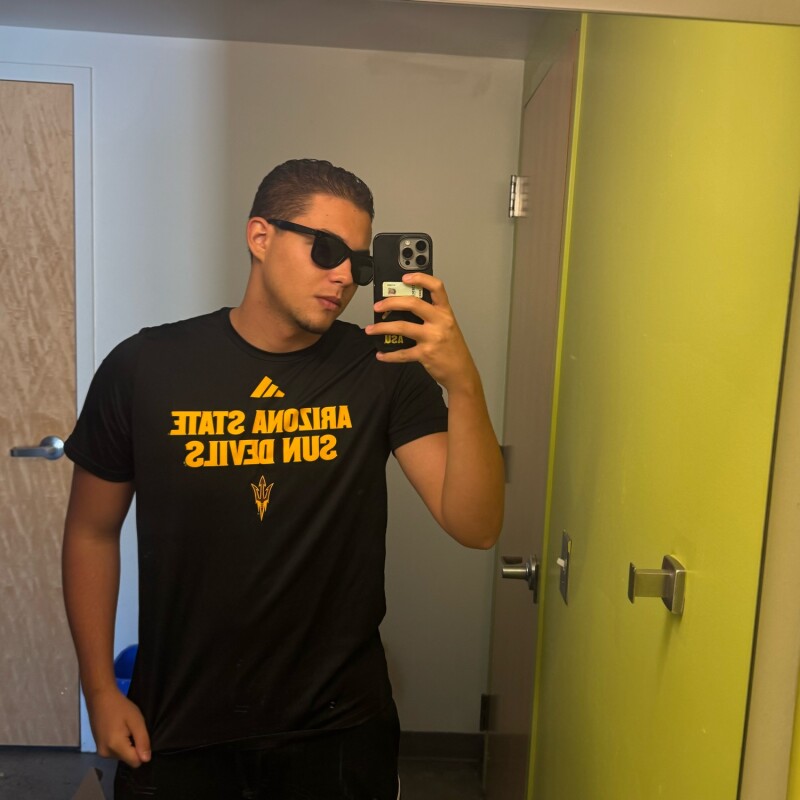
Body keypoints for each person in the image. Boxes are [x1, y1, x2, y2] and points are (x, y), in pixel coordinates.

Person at [62, 158, 504, 799]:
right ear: (260, 237)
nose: (345, 276)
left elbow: (477, 525)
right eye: (325, 249)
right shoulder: (144, 367)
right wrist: (100, 689)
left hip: (339, 733)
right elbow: (91, 532)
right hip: (180, 725)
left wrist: (463, 383)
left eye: (359, 262)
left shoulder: (382, 370)